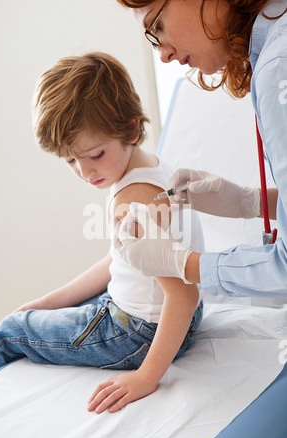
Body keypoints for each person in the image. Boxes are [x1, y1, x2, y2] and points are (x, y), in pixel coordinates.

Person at [0, 52, 204, 413]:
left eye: (95, 155)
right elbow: (117, 261)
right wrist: (49, 301)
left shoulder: (132, 200)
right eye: (70, 160)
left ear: (131, 129)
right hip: (172, 322)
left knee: (10, 329)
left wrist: (146, 376)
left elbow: (183, 293)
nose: (85, 172)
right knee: (40, 312)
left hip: (139, 333)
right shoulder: (153, 167)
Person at [115, 0, 287, 299]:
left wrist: (185, 264)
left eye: (157, 26)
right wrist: (248, 202)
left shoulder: (277, 69)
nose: (164, 54)